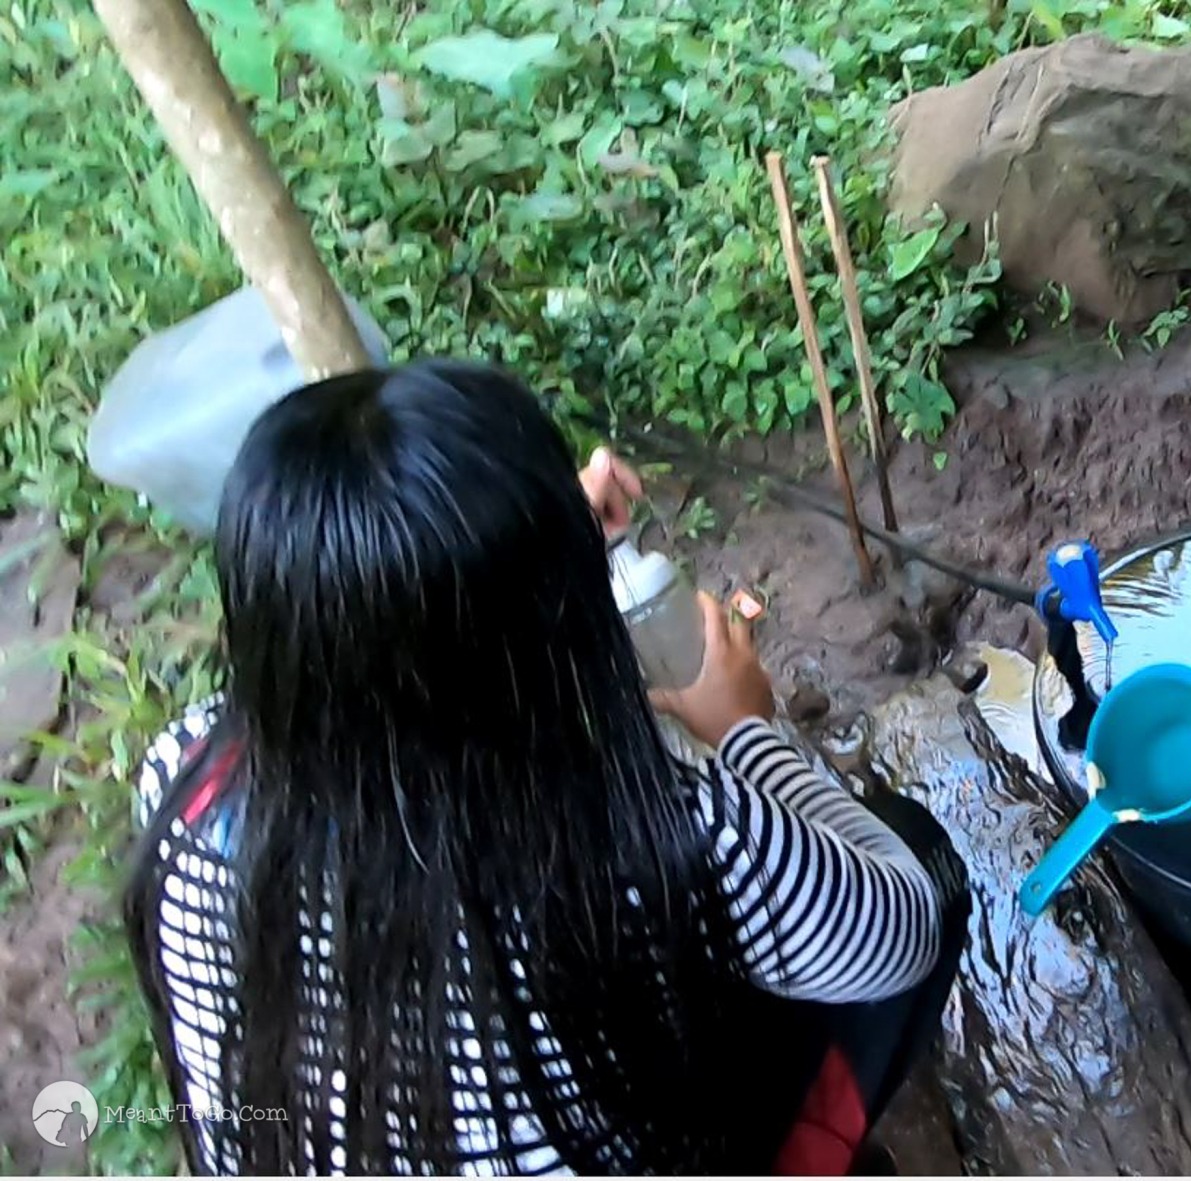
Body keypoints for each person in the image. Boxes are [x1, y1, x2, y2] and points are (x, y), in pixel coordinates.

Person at [124, 360, 970, 1175]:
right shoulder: (644, 837)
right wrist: (748, 730)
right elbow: (899, 929)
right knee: (917, 850)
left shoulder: (184, 774)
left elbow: (408, 663)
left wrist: (515, 549)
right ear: (546, 638)